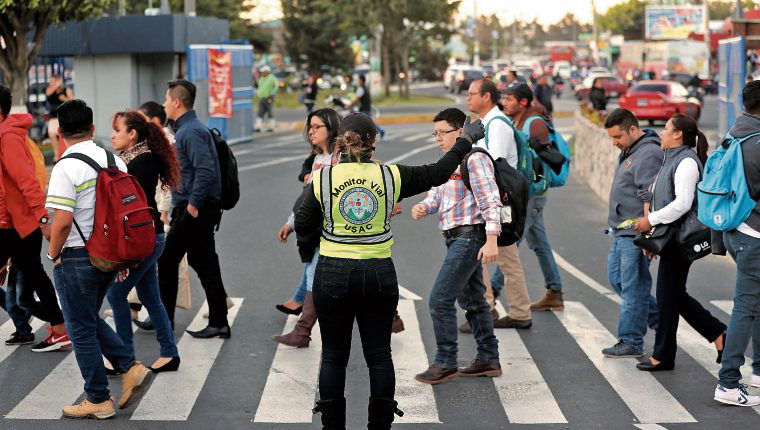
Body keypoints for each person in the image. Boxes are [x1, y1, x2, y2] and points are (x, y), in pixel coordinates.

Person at [295, 112, 485, 429]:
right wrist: (465, 139)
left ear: (339, 142)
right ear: (373, 142)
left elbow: (303, 223)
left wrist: (328, 231)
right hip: (378, 271)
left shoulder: (322, 179)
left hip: (332, 272)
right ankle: (379, 425)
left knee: (333, 357)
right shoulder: (391, 176)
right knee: (380, 356)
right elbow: (440, 172)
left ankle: (332, 425)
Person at [45, 99, 150, 419]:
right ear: (92, 129)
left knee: (80, 329)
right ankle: (129, 368)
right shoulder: (113, 160)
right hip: (111, 255)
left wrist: (53, 254)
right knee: (87, 318)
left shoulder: (65, 165)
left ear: (60, 133)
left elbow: (61, 222)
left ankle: (98, 398)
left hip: (77, 258)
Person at [412, 108, 503, 385]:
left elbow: (491, 200)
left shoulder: (475, 160)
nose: (438, 138)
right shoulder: (448, 162)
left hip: (470, 237)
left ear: (461, 132)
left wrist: (491, 240)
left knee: (440, 299)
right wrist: (423, 207)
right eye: (435, 133)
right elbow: (437, 196)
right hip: (454, 237)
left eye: (443, 132)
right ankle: (488, 358)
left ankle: (446, 362)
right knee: (474, 302)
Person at [631, 114, 726, 372]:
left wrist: (650, 220)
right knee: (672, 296)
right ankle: (715, 335)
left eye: (666, 128)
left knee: (668, 297)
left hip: (681, 239)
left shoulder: (686, 163)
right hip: (671, 238)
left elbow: (683, 203)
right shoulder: (671, 159)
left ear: (678, 135)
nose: (661, 132)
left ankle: (666, 354)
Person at [105, 110, 181, 373]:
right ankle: (170, 353)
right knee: (151, 297)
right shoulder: (131, 159)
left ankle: (123, 358)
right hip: (148, 236)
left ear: (132, 134)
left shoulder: (141, 162)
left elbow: (130, 208)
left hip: (143, 238)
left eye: (117, 130)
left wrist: (124, 256)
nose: (113, 136)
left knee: (116, 295)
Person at [0, 84, 71, 352]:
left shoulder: (7, 137)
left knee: (35, 275)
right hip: (15, 223)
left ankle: (60, 328)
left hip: (13, 224)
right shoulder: (7, 134)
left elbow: (26, 182)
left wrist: (43, 220)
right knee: (35, 275)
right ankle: (60, 329)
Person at [158, 79, 231, 338]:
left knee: (166, 261)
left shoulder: (190, 131)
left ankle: (165, 323)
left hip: (195, 209)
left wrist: (192, 207)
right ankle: (219, 321)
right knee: (204, 261)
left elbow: (205, 171)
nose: (164, 105)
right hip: (197, 207)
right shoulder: (188, 129)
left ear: (177, 102)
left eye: (167, 100)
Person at [458, 78, 523, 332]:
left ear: (487, 97)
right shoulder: (487, 123)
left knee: (503, 258)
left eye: (472, 94)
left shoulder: (496, 126)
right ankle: (507, 309)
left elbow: (492, 166)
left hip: (498, 202)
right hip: (492, 201)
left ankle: (499, 310)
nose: (468, 98)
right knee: (498, 257)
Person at [273, 108, 341, 347]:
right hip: (314, 229)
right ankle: (392, 318)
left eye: (317, 126)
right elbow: (308, 199)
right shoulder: (317, 160)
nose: (310, 131)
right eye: (309, 127)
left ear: (331, 129)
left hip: (333, 230)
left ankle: (302, 332)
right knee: (326, 276)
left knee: (315, 275)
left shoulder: (339, 159)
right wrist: (290, 222)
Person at [712, 80, 760, 406]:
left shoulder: (731, 136)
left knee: (754, 302)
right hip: (754, 234)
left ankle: (758, 371)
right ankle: (728, 383)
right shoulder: (757, 143)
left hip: (734, 230)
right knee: (745, 306)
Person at [501, 83, 566, 315]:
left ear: (523, 102)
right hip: (524, 192)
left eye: (509, 99)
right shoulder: (516, 121)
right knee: (539, 243)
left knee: (509, 242)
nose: (504, 103)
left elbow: (545, 160)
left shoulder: (534, 123)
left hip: (532, 194)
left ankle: (491, 296)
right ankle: (555, 292)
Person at [603, 108, 661, 358]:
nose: (614, 143)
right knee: (618, 280)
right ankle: (663, 320)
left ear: (634, 130)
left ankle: (631, 340)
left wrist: (648, 234)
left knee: (633, 286)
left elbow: (649, 195)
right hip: (620, 229)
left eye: (618, 137)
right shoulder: (631, 150)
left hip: (635, 232)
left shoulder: (648, 153)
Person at [45, 74, 74, 161]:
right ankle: (56, 154)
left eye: (53, 81)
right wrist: (57, 84)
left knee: (65, 136)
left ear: (58, 80)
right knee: (51, 133)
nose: (51, 83)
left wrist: (65, 99)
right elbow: (48, 93)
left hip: (64, 116)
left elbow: (73, 101)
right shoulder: (50, 89)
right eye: (51, 82)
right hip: (53, 116)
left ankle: (67, 153)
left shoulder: (66, 90)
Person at [256, 65, 278, 132]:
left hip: (269, 97)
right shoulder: (261, 78)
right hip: (261, 97)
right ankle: (258, 126)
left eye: (263, 72)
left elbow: (276, 87)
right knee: (260, 112)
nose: (262, 73)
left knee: (270, 112)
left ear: (267, 72)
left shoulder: (272, 78)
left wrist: (272, 93)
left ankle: (272, 127)